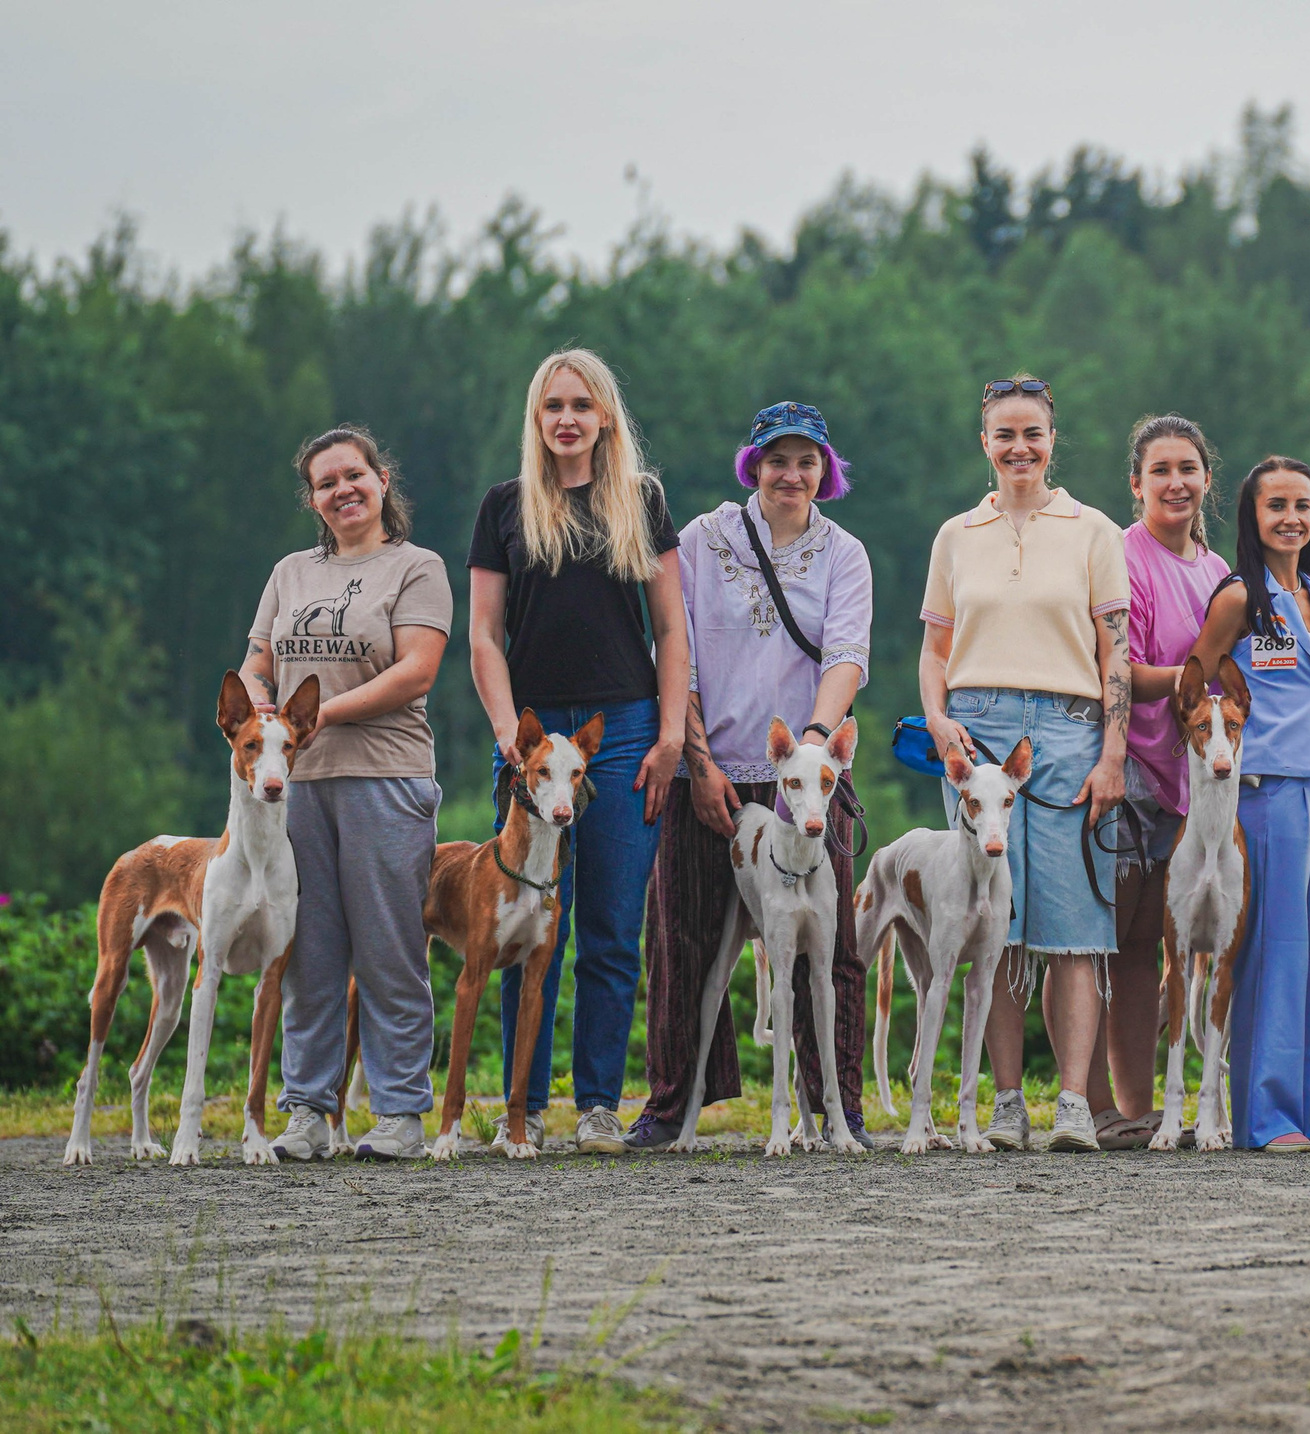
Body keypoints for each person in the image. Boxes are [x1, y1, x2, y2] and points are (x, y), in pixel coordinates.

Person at [629, 401, 875, 1151]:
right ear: (753, 464)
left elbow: (845, 658)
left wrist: (812, 747)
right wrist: (697, 764)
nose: (791, 474)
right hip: (711, 769)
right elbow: (679, 654)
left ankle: (835, 1107)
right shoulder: (704, 539)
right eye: (777, 459)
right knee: (682, 940)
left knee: (830, 953)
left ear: (824, 471)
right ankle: (674, 1105)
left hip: (804, 777)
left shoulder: (845, 554)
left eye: (806, 461)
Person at [466, 348, 688, 1155]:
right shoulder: (505, 507)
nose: (567, 418)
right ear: (538, 417)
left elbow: (670, 630)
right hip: (529, 735)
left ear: (604, 417)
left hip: (621, 729)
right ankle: (518, 1106)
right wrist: (504, 733)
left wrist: (669, 739)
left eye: (581, 405)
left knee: (608, 924)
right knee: (521, 926)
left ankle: (597, 1102)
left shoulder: (641, 502)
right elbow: (485, 636)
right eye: (553, 405)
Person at [919, 375, 1129, 1153]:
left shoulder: (1094, 530)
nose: (1019, 448)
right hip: (976, 734)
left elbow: (1117, 651)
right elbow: (934, 650)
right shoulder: (955, 535)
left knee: (1076, 922)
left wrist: (1114, 753)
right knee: (992, 923)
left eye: (1032, 434)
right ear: (984, 443)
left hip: (1072, 727)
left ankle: (1072, 1103)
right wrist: (939, 721)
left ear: (1052, 440)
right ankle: (1005, 1102)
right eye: (1004, 435)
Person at [241, 426, 450, 1160]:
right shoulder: (289, 573)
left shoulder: (416, 567)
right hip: (295, 788)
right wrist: (264, 706)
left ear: (382, 480)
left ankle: (398, 1113)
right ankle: (308, 1112)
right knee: (310, 954)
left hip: (385, 778)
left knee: (390, 950)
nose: (343, 490)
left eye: (354, 475)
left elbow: (415, 672)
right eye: (326, 483)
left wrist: (320, 714)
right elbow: (256, 663)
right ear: (314, 500)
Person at [1188, 457, 1310, 1151]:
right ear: (1253, 515)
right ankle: (1264, 1118)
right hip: (1266, 789)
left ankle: (1308, 1111)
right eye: (1276, 505)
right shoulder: (1239, 598)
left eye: (1302, 505)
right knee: (1274, 947)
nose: (1291, 518)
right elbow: (1201, 680)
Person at [1088, 414, 1230, 1150]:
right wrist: (1195, 681)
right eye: (1161, 470)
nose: (1177, 482)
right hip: (1127, 766)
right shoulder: (1122, 555)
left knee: (1146, 947)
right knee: (1097, 939)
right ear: (1136, 482)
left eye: (1189, 469)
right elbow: (1119, 670)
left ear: (1207, 479)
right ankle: (1084, 1103)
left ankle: (1136, 1107)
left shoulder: (1212, 569)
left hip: (1188, 781)